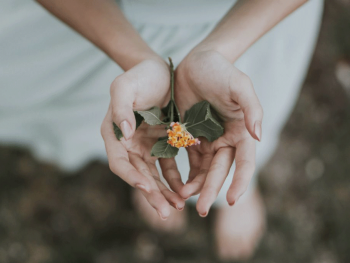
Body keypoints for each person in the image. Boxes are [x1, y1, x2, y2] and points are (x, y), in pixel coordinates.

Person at [0, 0, 323, 260]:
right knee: (123, 120)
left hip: (250, 25)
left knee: (237, 126)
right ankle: (157, 183)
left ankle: (234, 194)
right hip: (108, 23)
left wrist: (219, 51)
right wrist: (136, 57)